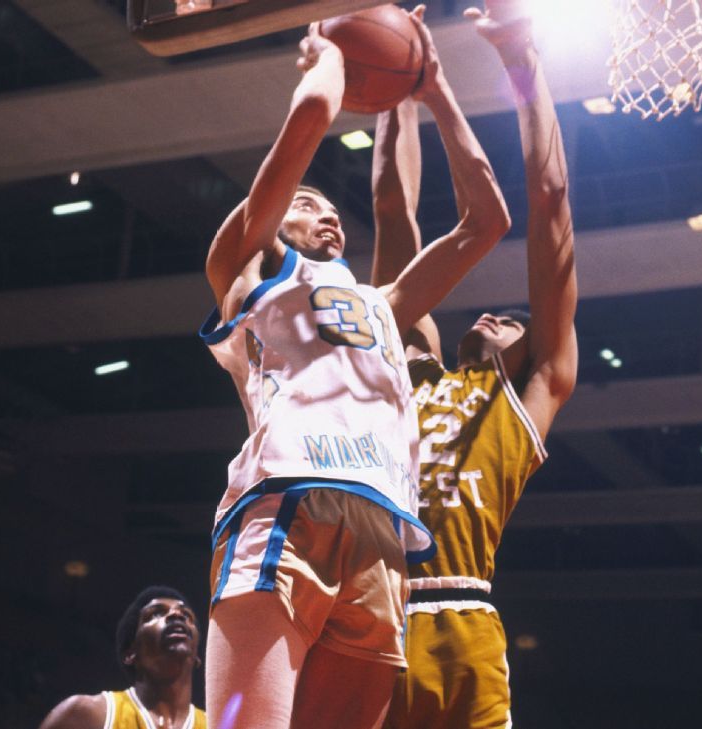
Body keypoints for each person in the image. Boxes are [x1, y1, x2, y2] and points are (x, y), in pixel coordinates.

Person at [198, 7, 510, 729]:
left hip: (382, 533)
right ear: (272, 217)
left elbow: (487, 221)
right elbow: (312, 112)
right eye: (307, 204)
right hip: (291, 501)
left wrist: (434, 90)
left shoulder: (384, 303)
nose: (327, 215)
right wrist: (330, 50)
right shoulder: (242, 268)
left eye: (332, 209)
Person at [373, 2, 580, 727]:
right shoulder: (412, 366)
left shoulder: (529, 398)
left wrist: (524, 64)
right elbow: (394, 214)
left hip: (462, 620)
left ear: (530, 355)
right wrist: (403, 85)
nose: (497, 313)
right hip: (373, 613)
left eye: (516, 321)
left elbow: (550, 201)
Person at [39, 586, 206, 729]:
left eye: (186, 615)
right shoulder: (85, 715)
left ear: (197, 654)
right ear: (130, 653)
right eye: (155, 614)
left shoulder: (215, 724)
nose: (176, 615)